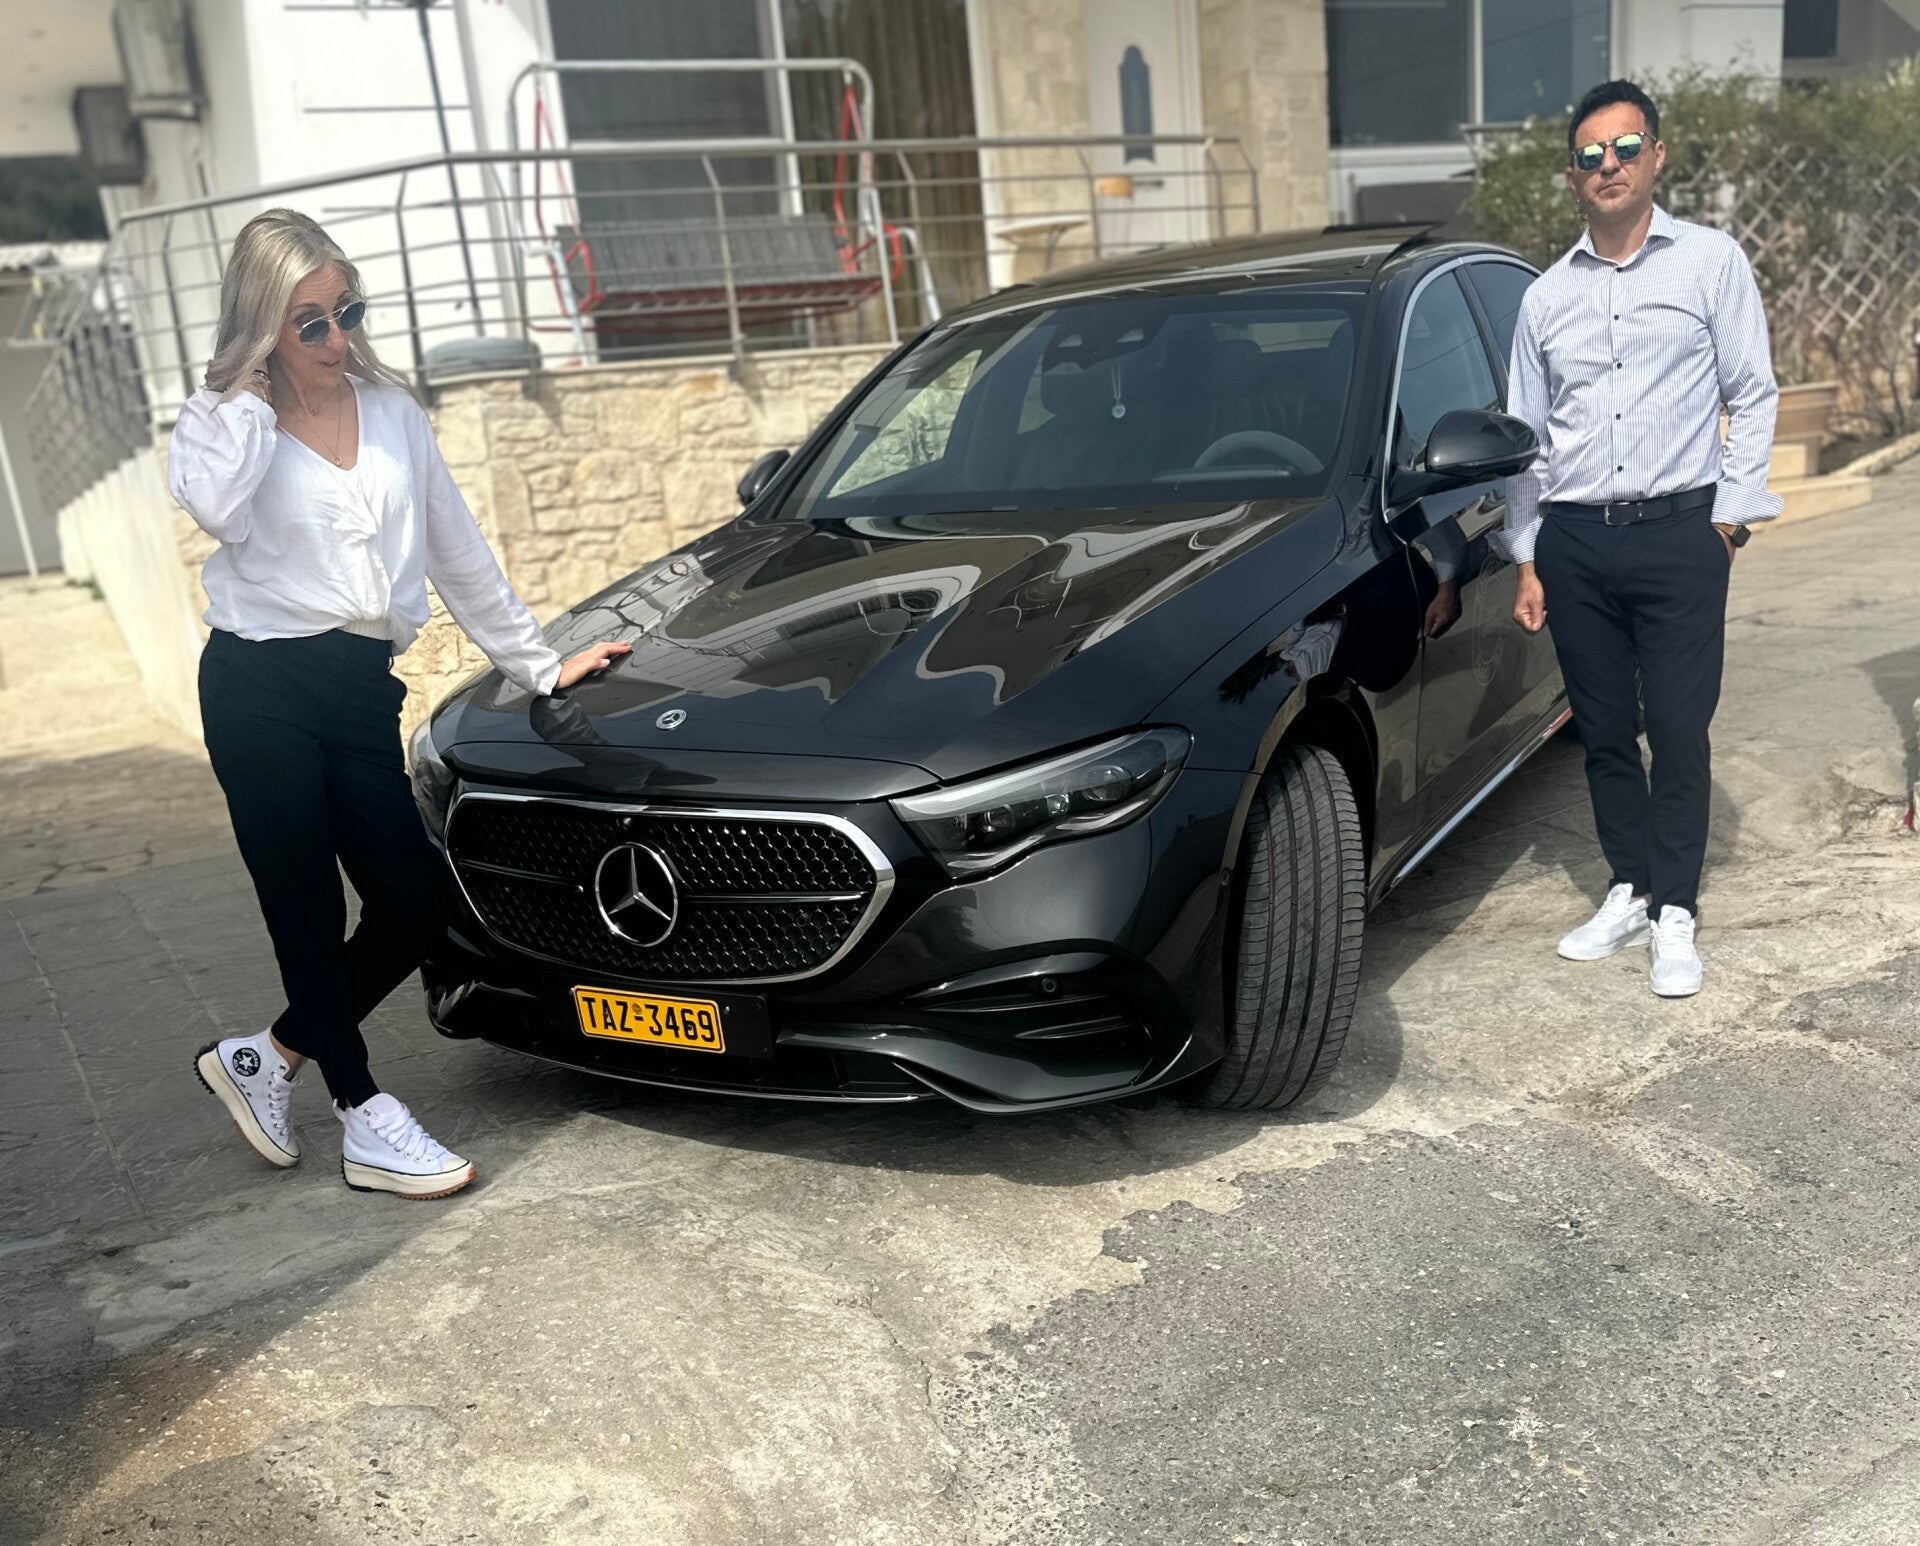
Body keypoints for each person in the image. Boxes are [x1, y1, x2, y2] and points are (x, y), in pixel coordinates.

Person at [170, 209, 631, 1198]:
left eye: (348, 311)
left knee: (415, 902)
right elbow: (218, 510)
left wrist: (539, 665)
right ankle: (364, 1112)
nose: (338, 338)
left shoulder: (390, 412)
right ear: (263, 324)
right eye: (310, 323)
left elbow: (456, 549)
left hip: (356, 686)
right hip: (258, 684)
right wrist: (251, 395)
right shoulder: (218, 422)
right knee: (303, 904)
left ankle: (265, 1058)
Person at [1505, 81, 1780, 998]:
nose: (1609, 167)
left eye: (1626, 148)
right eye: (1590, 156)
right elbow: (1527, 440)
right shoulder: (1545, 298)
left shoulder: (1709, 262)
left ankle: (1677, 910)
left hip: (1679, 534)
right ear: (1572, 176)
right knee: (1604, 730)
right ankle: (1630, 886)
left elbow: (1753, 393)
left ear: (1657, 155)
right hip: (1577, 543)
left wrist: (1729, 522)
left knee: (1678, 725)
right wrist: (1527, 554)